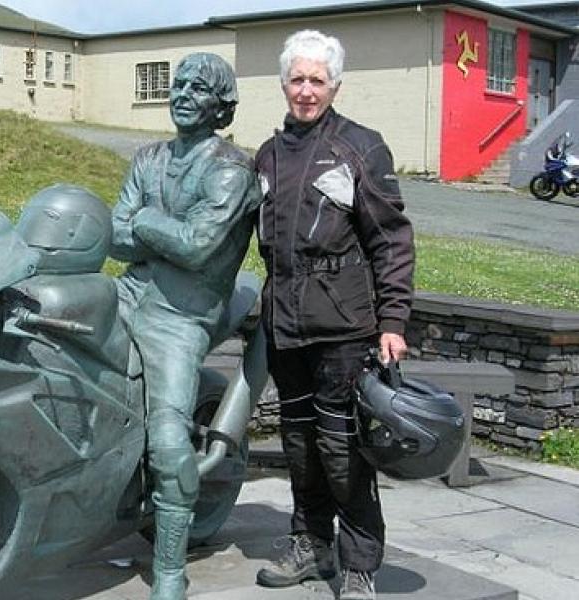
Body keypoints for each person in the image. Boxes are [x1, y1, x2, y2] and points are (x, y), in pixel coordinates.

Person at [253, 30, 414, 600]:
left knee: (342, 449)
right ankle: (310, 542)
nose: (305, 91)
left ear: (335, 85)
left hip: (345, 326)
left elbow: (391, 240)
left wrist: (393, 321)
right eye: (297, 79)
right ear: (283, 83)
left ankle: (359, 564)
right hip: (285, 325)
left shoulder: (360, 147)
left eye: (316, 80)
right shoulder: (268, 154)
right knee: (298, 444)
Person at [110, 52, 260, 599]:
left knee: (169, 441)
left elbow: (197, 248)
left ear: (221, 108)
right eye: (178, 85)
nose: (183, 94)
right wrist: (151, 233)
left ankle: (170, 571)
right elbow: (113, 236)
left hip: (179, 317)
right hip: (126, 292)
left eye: (199, 89)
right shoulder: (147, 158)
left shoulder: (230, 169)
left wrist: (143, 223)